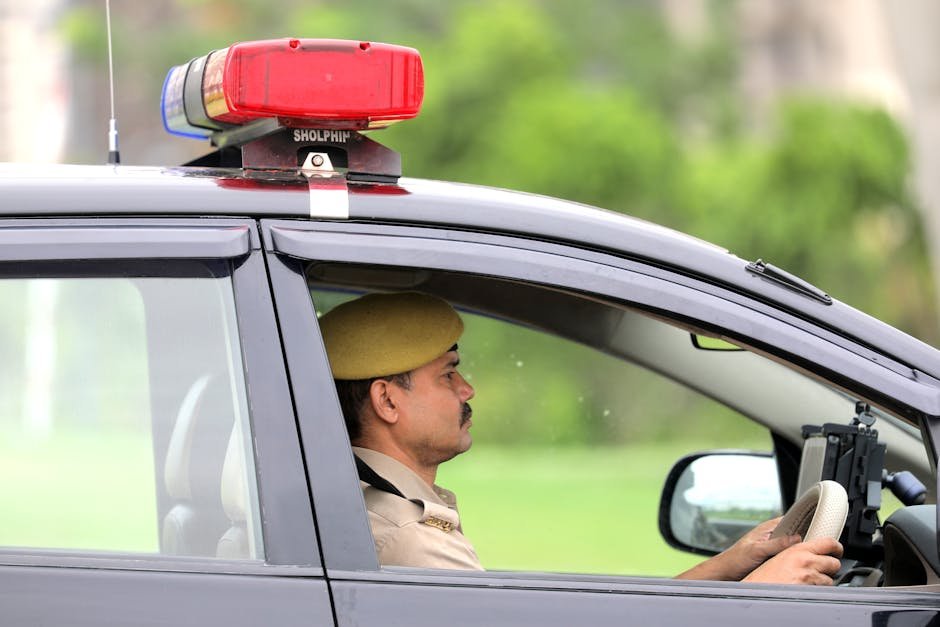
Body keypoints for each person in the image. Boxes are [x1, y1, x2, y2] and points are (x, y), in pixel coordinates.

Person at [319, 291, 843, 583]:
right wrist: (756, 601)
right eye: (448, 374)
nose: (468, 387)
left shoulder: (379, 513)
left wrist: (728, 567)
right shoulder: (407, 541)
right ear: (387, 401)